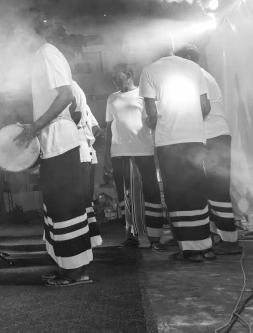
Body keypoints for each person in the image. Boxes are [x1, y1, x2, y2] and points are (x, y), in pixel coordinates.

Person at [15, 20, 93, 287]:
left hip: (61, 142)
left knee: (66, 208)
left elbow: (66, 95)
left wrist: (35, 126)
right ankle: (66, 266)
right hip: (53, 143)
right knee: (56, 208)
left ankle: (77, 272)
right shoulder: (42, 56)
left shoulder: (46, 52)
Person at [140, 37, 213, 262]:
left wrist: (157, 124)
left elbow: (151, 114)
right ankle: (205, 246)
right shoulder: (194, 68)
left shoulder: (150, 70)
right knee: (197, 190)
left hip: (169, 140)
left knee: (177, 194)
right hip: (195, 138)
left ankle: (190, 250)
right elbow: (205, 106)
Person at [175, 44, 241, 255]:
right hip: (208, 137)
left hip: (214, 136)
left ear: (187, 59)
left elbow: (202, 108)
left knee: (217, 188)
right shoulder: (197, 76)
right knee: (208, 188)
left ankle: (230, 240)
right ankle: (219, 235)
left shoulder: (197, 76)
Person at [105, 63, 166, 252]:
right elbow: (109, 127)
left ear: (129, 74)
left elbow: (154, 120)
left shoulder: (143, 95)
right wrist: (107, 153)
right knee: (126, 196)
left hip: (143, 151)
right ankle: (131, 236)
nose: (114, 78)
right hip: (119, 152)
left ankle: (155, 237)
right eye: (113, 76)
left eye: (118, 74)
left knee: (150, 194)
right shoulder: (112, 98)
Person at [72, 80, 103, 248]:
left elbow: (94, 128)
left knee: (79, 199)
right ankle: (91, 237)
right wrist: (88, 141)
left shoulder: (71, 94)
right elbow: (96, 128)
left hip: (77, 154)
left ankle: (84, 238)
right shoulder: (84, 104)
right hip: (86, 154)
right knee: (85, 199)